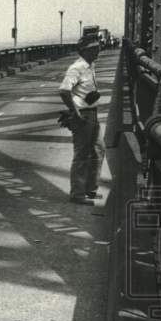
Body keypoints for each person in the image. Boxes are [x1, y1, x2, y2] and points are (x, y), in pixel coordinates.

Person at [59, 35, 104, 204]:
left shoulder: (90, 65)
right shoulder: (76, 68)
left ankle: (90, 190)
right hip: (83, 116)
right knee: (82, 154)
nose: (98, 50)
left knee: (98, 150)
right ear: (84, 51)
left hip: (92, 113)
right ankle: (78, 194)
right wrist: (75, 111)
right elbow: (64, 90)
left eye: (98, 47)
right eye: (94, 48)